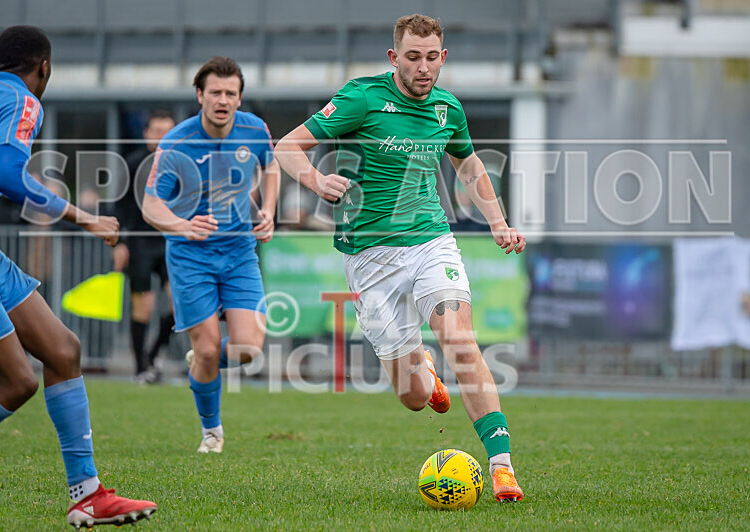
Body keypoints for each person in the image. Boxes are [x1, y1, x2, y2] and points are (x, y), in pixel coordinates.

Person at [274, 14, 527, 502]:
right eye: (413, 57)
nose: (423, 68)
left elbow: (468, 163)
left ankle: (501, 467)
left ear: (443, 58)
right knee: (413, 398)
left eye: (432, 57)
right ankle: (423, 372)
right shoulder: (362, 97)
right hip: (369, 258)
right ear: (395, 58)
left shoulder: (448, 108)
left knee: (461, 340)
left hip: (432, 241)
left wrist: (497, 221)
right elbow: (288, 147)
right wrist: (315, 180)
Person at [0, 26, 157, 528]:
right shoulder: (23, 100)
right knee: (15, 381)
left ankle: (87, 495)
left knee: (62, 350)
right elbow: (13, 178)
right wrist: (85, 216)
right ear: (44, 68)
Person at [142, 57, 280, 454]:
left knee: (249, 348)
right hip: (191, 257)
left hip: (239, 252)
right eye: (215, 92)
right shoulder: (176, 143)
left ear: (239, 98)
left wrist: (268, 210)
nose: (223, 100)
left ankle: (202, 361)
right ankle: (211, 432)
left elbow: (270, 168)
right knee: (206, 348)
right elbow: (152, 205)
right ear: (200, 95)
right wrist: (182, 226)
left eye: (231, 94)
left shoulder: (255, 129)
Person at [112, 111, 176, 384]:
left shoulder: (180, 163)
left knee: (179, 305)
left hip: (171, 242)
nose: (162, 136)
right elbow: (119, 206)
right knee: (144, 307)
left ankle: (153, 355)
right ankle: (140, 368)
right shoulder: (134, 163)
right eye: (157, 130)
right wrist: (120, 243)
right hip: (139, 243)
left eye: (168, 131)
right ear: (146, 133)